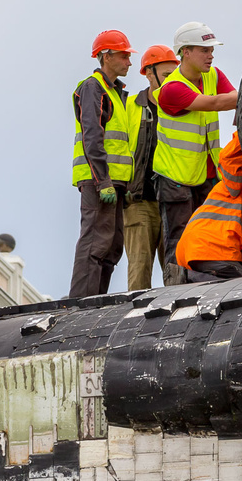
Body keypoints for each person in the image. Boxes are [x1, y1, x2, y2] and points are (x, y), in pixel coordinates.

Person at [154, 21, 238, 285]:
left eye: (211, 50)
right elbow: (215, 103)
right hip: (175, 177)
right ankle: (173, 291)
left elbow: (232, 96)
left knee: (205, 235)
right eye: (204, 50)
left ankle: (201, 286)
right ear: (185, 52)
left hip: (206, 173)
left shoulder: (213, 75)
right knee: (178, 239)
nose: (210, 55)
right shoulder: (172, 88)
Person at [69, 30, 135, 297]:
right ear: (106, 57)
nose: (129, 62)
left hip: (114, 182)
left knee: (112, 246)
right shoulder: (92, 87)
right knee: (95, 243)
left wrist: (123, 184)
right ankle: (79, 305)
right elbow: (92, 137)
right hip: (99, 181)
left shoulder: (115, 91)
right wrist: (103, 181)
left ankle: (96, 301)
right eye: (124, 55)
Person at [175, 131, 242, 281]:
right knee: (240, 287)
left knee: (240, 287)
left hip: (200, 251)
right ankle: (190, 278)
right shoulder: (238, 185)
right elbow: (228, 158)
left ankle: (191, 277)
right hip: (211, 249)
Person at [123, 45, 174, 291]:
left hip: (172, 200)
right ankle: (135, 321)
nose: (170, 82)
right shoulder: (129, 107)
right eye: (165, 76)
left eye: (174, 76)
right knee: (139, 269)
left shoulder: (178, 107)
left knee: (176, 271)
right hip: (139, 200)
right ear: (147, 73)